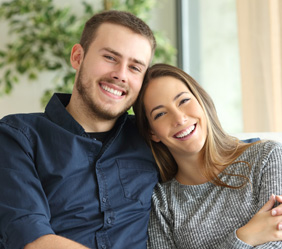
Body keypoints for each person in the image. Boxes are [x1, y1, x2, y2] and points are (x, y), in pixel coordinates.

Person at [0, 10, 159, 249]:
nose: (120, 75)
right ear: (77, 56)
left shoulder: (152, 137)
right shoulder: (17, 136)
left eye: (135, 68)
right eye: (110, 57)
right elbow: (32, 239)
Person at [133, 63, 282, 248]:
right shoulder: (161, 202)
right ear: (152, 132)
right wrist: (244, 237)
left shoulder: (268, 157)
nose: (179, 118)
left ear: (201, 101)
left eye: (183, 101)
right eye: (161, 113)